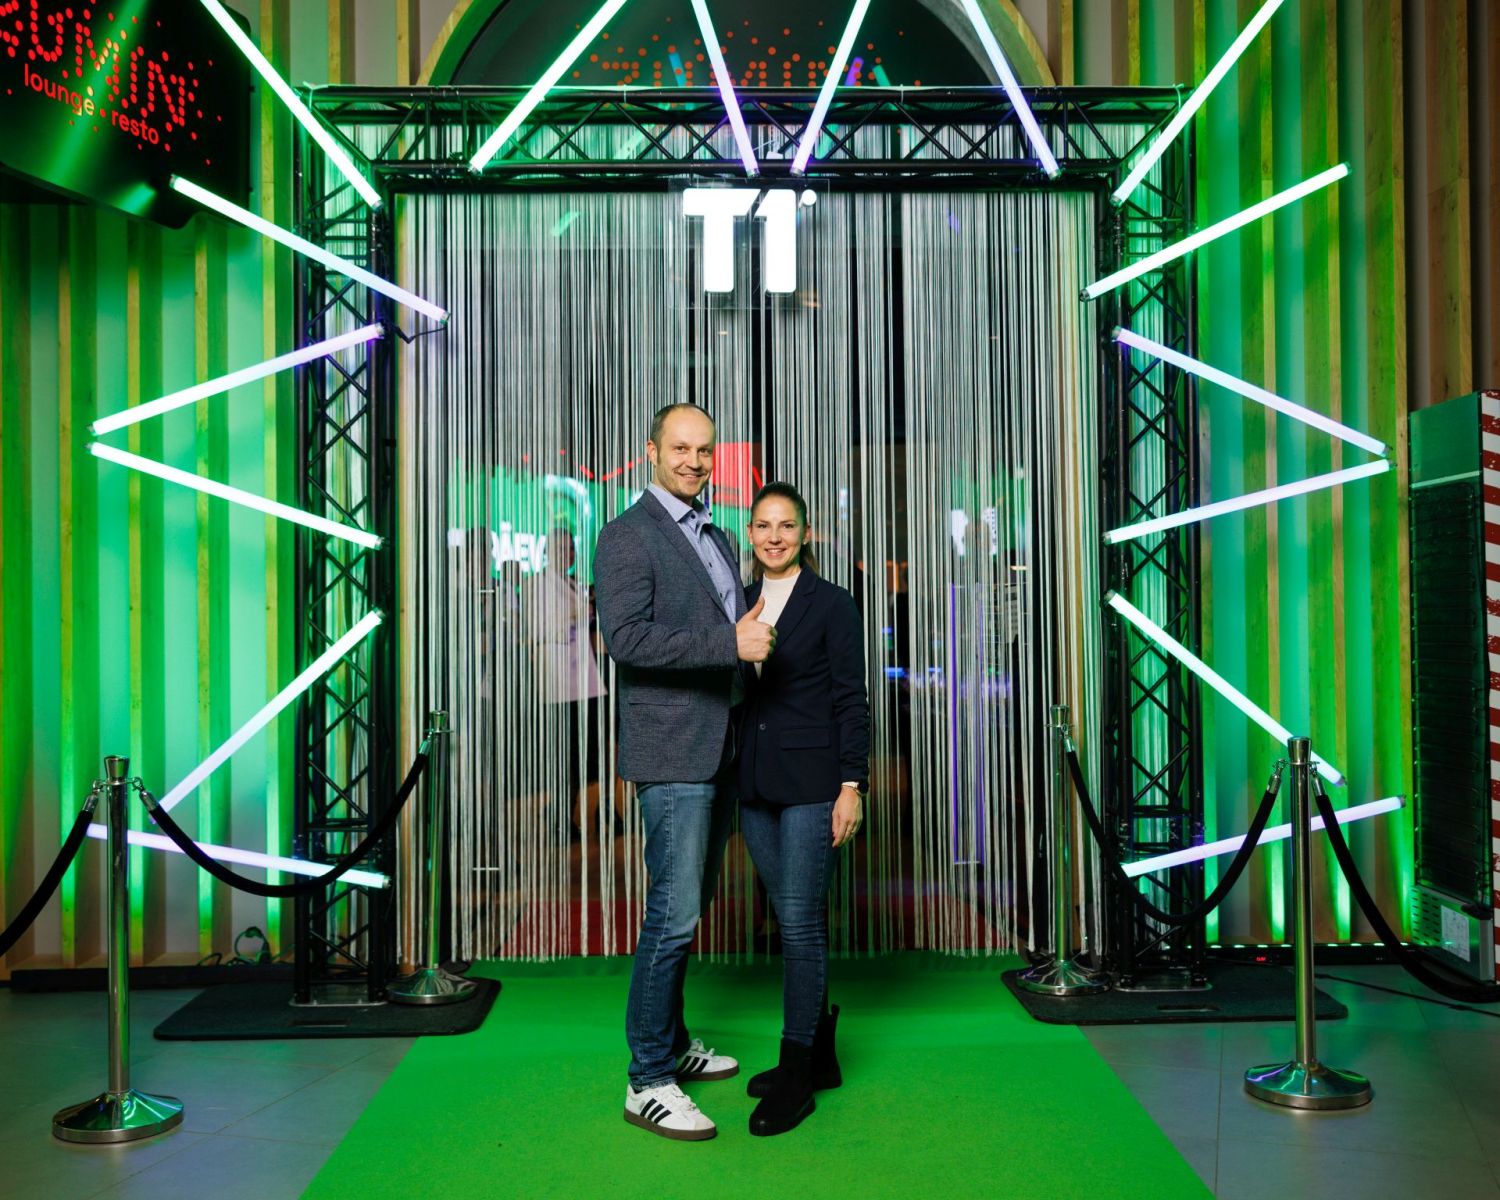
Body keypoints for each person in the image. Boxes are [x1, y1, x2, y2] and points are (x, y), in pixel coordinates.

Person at [593, 402, 777, 1142]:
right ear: (651, 451)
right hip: (672, 750)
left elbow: (735, 628)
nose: (694, 462)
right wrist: (729, 643)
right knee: (672, 916)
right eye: (680, 448)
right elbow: (627, 640)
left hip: (721, 743)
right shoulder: (627, 534)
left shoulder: (716, 532)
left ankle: (670, 1043)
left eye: (704, 451)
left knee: (689, 904)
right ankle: (647, 1079)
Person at [738, 481, 869, 1137]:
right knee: (798, 915)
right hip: (754, 782)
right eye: (764, 525)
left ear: (806, 533)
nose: (775, 537)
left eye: (786, 525)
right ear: (750, 533)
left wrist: (852, 785)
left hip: (815, 783)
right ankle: (820, 1053)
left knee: (796, 923)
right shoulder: (736, 600)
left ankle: (796, 1070)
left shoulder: (833, 603)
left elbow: (851, 698)